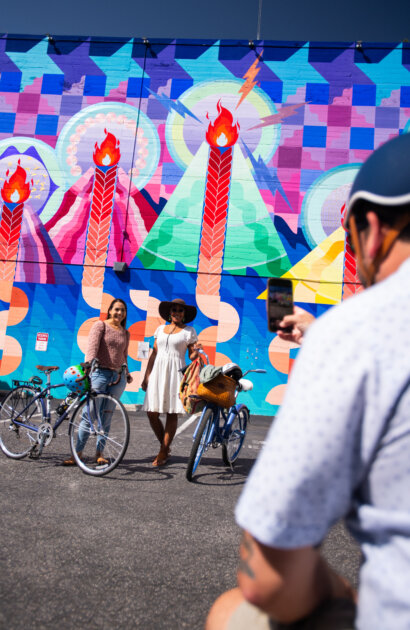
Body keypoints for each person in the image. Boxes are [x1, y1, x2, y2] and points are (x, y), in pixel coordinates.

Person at [206, 132, 410, 630]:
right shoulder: (348, 336)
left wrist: (340, 589)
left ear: (374, 227)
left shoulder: (359, 332)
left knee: (234, 611)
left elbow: (269, 578)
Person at [63, 298, 132, 465]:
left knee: (106, 417)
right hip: (99, 374)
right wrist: (88, 366)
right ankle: (76, 453)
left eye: (122, 310)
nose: (119, 313)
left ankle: (99, 453)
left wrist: (127, 373)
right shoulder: (100, 325)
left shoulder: (125, 332)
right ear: (109, 310)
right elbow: (92, 348)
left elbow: (124, 355)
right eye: (116, 309)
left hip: (118, 378)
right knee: (90, 414)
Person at [141, 298, 200, 467]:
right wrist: (146, 376)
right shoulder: (160, 329)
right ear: (169, 312)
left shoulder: (189, 331)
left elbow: (191, 356)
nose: (177, 312)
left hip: (176, 372)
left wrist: (196, 351)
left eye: (180, 310)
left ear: (184, 314)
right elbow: (154, 353)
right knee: (152, 412)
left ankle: (163, 451)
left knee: (171, 412)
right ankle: (165, 448)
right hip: (158, 372)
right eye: (174, 309)